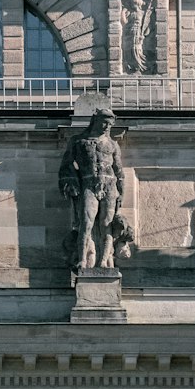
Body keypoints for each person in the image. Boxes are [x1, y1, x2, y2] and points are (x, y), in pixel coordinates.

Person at [59, 107, 127, 270]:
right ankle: (82, 260)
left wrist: (121, 193)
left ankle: (104, 261)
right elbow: (66, 165)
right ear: (95, 121)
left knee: (106, 224)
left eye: (109, 124)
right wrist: (70, 181)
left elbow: (119, 171)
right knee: (86, 223)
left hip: (109, 185)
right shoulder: (78, 141)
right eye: (104, 122)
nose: (106, 127)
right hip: (88, 183)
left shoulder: (112, 144)